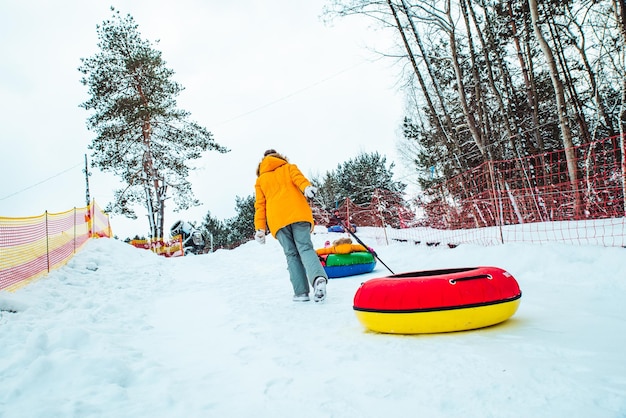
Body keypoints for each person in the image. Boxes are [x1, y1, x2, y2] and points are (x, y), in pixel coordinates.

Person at [253, 149, 328, 302]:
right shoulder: (288, 167)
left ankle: (301, 293)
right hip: (298, 214)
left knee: (291, 254)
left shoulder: (261, 180)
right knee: (305, 248)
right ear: (279, 157)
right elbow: (299, 179)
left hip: (278, 221)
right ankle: (318, 279)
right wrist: (307, 188)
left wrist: (260, 229)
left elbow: (260, 206)